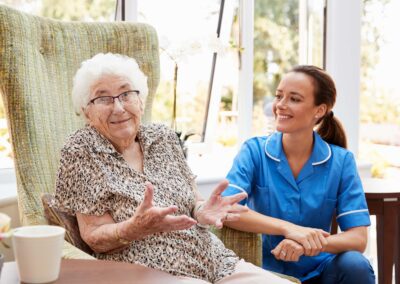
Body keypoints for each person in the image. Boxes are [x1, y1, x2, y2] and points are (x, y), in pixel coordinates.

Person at [53, 53, 293, 284]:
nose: (118, 107)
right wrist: (134, 228)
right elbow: (94, 236)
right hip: (152, 272)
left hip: (217, 262)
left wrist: (202, 211)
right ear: (87, 111)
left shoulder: (163, 138)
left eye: (126, 94)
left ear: (140, 100)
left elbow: (192, 202)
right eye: (103, 98)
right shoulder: (80, 150)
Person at [222, 65, 375, 283]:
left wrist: (304, 244)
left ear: (319, 110)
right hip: (264, 272)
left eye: (294, 99)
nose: (280, 105)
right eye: (279, 96)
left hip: (321, 270)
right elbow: (227, 209)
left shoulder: (341, 161)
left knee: (356, 265)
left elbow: (358, 238)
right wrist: (290, 229)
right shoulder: (254, 151)